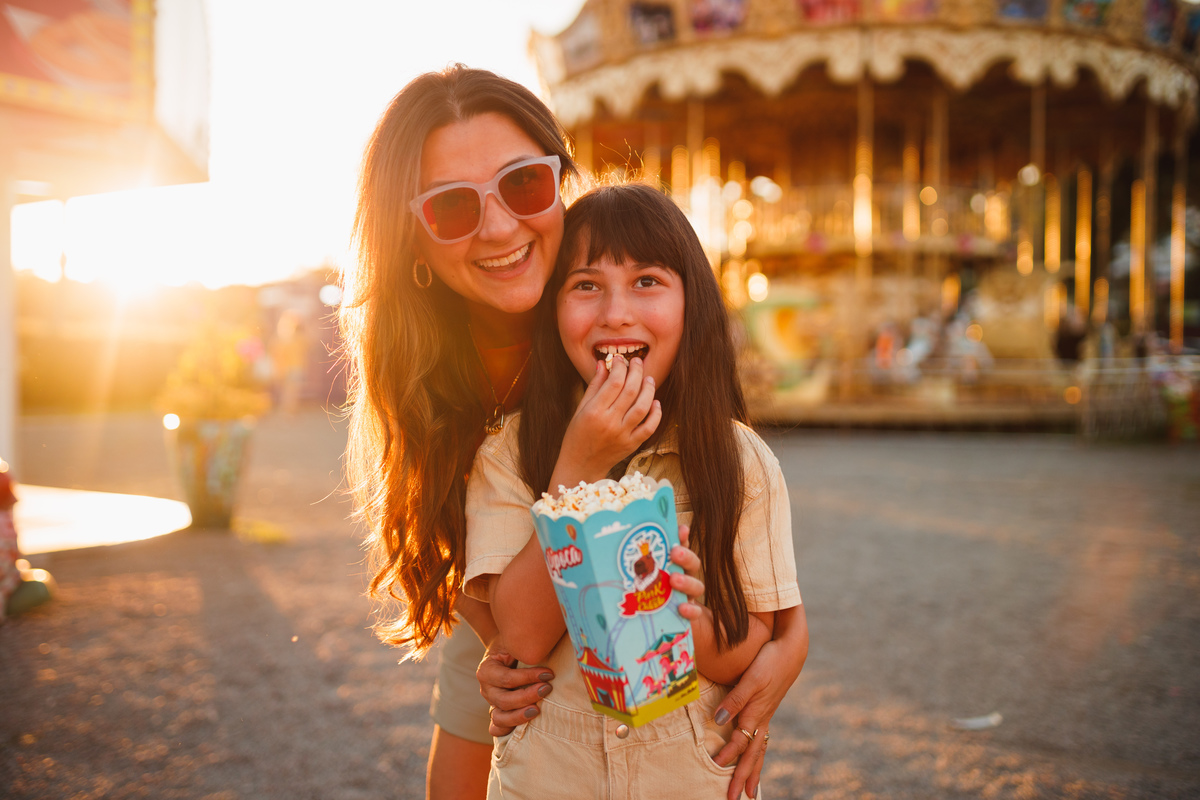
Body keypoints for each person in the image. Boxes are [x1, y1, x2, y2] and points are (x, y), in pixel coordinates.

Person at [341, 65, 808, 800]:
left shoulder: (595, 276)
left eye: (523, 185)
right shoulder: (429, 370)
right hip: (508, 595)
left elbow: (756, 577)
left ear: (560, 180)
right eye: (453, 207)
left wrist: (788, 642)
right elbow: (500, 624)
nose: (498, 227)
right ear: (416, 241)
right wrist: (577, 469)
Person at [462, 183, 804, 799]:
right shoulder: (510, 456)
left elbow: (741, 655)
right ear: (552, 312)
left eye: (647, 280)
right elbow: (518, 640)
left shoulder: (740, 460)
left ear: (691, 304)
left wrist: (677, 610)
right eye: (585, 285)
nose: (616, 312)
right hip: (549, 780)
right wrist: (578, 467)